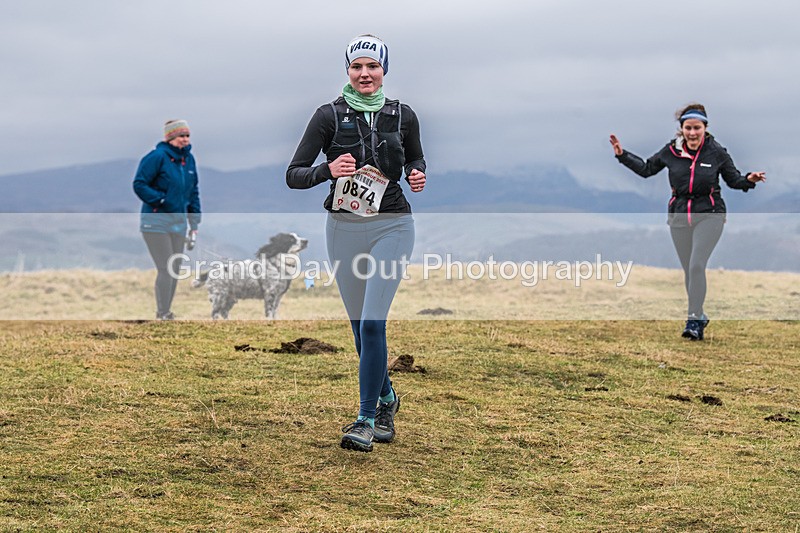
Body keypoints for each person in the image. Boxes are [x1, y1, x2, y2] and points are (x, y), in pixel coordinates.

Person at [287, 34, 426, 452]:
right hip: (343, 228)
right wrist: (327, 171)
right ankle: (387, 399)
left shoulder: (403, 115)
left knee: (371, 322)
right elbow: (294, 174)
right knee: (358, 326)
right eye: (357, 66)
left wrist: (417, 174)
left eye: (373, 66)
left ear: (384, 71)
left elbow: (415, 158)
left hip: (392, 226)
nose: (365, 74)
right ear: (347, 71)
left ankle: (365, 420)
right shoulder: (327, 116)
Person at [610, 104, 766, 340]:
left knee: (696, 266)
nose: (692, 133)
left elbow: (734, 180)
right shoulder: (671, 151)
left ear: (705, 128)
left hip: (710, 214)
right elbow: (646, 169)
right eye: (688, 128)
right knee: (689, 270)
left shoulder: (716, 152)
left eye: (697, 128)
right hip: (679, 216)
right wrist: (623, 155)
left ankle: (693, 320)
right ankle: (699, 316)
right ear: (681, 129)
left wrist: (749, 179)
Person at [133, 119, 201, 320]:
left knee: (175, 269)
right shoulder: (156, 157)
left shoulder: (189, 160)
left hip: (179, 224)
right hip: (155, 223)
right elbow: (139, 184)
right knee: (166, 268)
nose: (185, 140)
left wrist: (194, 223)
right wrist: (160, 200)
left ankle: (166, 312)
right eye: (181, 136)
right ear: (170, 137)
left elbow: (193, 192)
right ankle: (162, 313)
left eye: (187, 136)